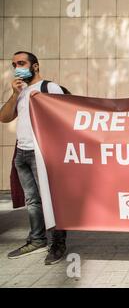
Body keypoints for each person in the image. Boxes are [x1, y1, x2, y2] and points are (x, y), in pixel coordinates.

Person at [0, 51, 68, 265]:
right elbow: (4, 117)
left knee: (53, 199)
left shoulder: (50, 88)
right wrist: (14, 94)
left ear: (35, 66)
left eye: (21, 63)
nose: (17, 67)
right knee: (32, 200)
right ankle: (37, 239)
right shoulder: (19, 91)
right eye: (14, 64)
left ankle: (58, 244)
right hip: (22, 153)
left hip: (43, 152)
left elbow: (65, 116)